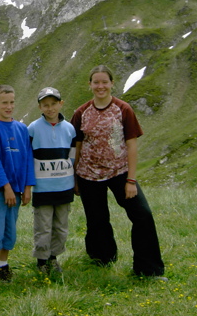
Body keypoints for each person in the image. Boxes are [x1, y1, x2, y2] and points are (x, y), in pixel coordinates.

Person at [70, 65, 165, 278]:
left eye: (105, 82)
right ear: (90, 85)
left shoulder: (123, 109)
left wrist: (131, 180)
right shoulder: (81, 112)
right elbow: (76, 146)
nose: (100, 86)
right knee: (97, 220)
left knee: (142, 215)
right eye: (96, 82)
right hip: (88, 175)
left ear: (112, 83)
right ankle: (101, 259)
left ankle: (148, 269)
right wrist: (74, 178)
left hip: (120, 173)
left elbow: (131, 145)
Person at [0, 84, 36, 282]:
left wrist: (28, 187)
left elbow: (29, 158)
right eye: (4, 103)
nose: (9, 106)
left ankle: (4, 265)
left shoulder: (22, 129)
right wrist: (6, 188)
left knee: (9, 229)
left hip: (18, 189)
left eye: (12, 102)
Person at [28, 87, 76, 275]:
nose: (50, 108)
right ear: (40, 107)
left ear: (60, 104)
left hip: (65, 188)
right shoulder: (32, 128)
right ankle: (41, 261)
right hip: (42, 189)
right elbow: (28, 158)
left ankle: (53, 258)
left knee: (61, 227)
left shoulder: (70, 129)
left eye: (53, 104)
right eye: (45, 105)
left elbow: (72, 157)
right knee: (43, 227)